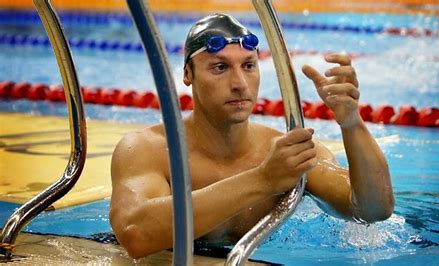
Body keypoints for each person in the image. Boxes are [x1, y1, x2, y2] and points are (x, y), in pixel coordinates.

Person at [109, 13, 394, 259]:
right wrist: (263, 180)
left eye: (248, 66)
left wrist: (352, 123)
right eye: (220, 67)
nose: (239, 84)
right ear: (188, 74)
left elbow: (372, 210)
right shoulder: (149, 150)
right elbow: (136, 235)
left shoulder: (287, 153)